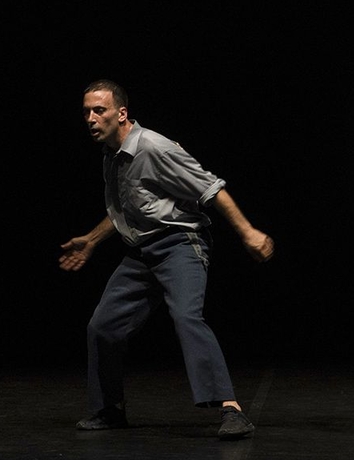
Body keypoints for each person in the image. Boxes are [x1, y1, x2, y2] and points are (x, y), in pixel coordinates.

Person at [59, 79, 275, 440]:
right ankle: (109, 409)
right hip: (142, 253)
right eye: (86, 112)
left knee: (187, 316)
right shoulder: (112, 153)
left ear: (121, 113)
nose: (91, 118)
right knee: (102, 326)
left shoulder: (153, 147)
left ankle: (231, 409)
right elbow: (128, 208)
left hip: (179, 244)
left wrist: (248, 232)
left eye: (99, 110)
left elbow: (211, 188)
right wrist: (92, 241)